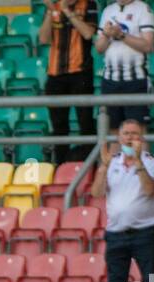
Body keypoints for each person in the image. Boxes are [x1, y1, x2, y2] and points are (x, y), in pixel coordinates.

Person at [92, 117, 154, 282]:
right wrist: (103, 168)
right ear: (119, 137)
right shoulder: (111, 162)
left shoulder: (151, 161)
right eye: (126, 133)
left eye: (135, 133)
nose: (130, 138)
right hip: (115, 233)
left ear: (142, 137)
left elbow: (149, 190)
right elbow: (96, 193)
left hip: (145, 232)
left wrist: (138, 162)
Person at [40, 0, 98, 165]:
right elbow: (44, 39)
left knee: (85, 123)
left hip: (81, 72)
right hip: (55, 74)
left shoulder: (89, 5)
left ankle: (89, 168)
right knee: (59, 127)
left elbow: (88, 33)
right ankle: (61, 167)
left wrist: (67, 11)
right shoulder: (54, 6)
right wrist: (51, 12)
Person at [94, 0, 154, 129]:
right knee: (113, 132)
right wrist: (106, 34)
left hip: (135, 79)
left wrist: (121, 35)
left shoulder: (143, 9)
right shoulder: (108, 10)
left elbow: (148, 46)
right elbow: (99, 49)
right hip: (110, 80)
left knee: (138, 132)